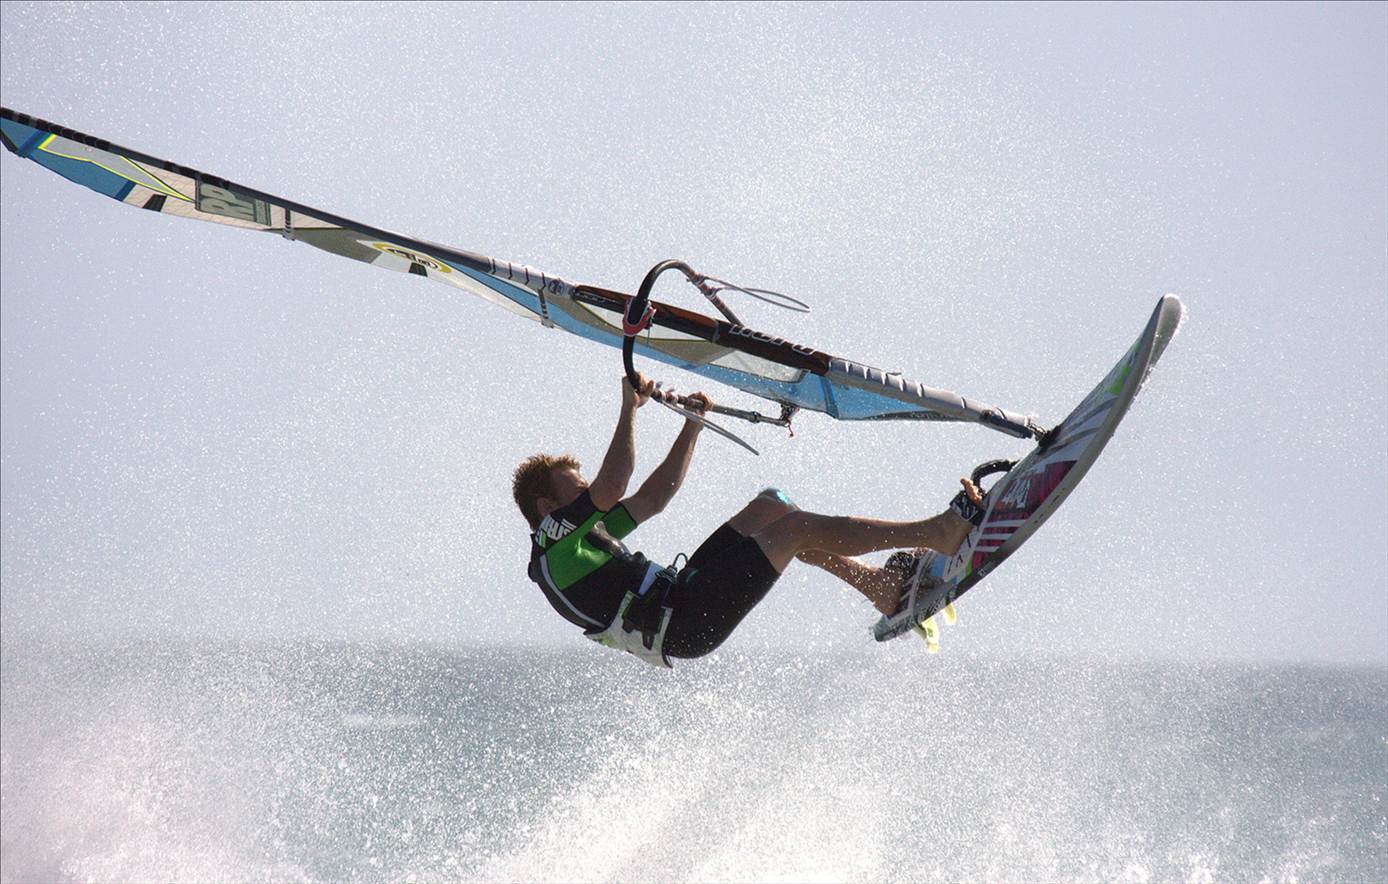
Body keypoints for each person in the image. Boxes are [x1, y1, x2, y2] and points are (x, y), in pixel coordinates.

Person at [512, 373, 985, 665]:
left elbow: (653, 498)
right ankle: (939, 532)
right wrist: (628, 408)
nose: (590, 494)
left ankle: (877, 586)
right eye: (578, 490)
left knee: (773, 506)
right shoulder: (556, 545)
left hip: (683, 593)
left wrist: (692, 426)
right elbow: (613, 486)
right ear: (547, 508)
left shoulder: (579, 540)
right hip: (684, 623)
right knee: (794, 529)